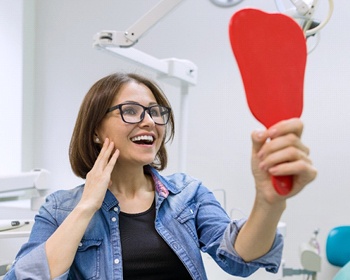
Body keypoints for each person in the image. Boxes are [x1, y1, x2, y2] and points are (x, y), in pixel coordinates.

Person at [4, 72, 317, 280]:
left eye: (155, 112)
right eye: (130, 110)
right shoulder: (60, 209)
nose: (149, 122)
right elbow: (28, 276)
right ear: (96, 130)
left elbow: (238, 259)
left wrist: (269, 202)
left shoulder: (188, 194)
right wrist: (88, 204)